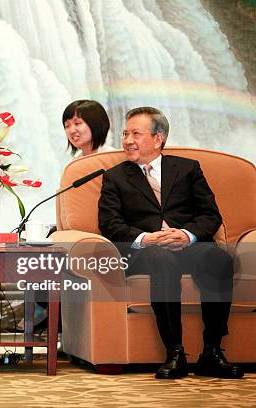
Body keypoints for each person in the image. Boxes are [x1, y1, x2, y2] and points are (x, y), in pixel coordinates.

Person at [98, 106, 243, 379]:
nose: (128, 140)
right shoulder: (115, 177)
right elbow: (109, 225)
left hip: (187, 246)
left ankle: (212, 351)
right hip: (144, 252)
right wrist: (146, 238)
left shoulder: (188, 169)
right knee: (161, 259)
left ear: (158, 138)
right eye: (125, 133)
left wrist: (186, 235)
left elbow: (210, 216)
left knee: (219, 259)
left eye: (136, 133)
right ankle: (175, 352)